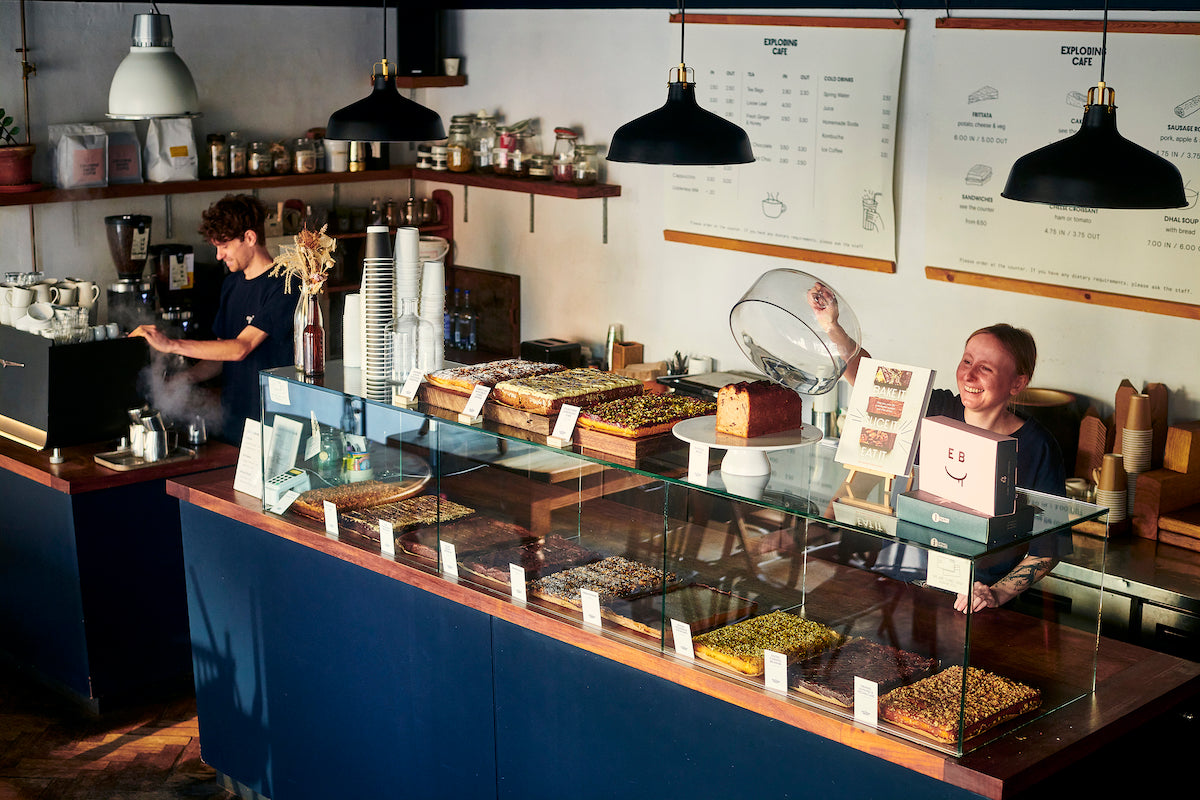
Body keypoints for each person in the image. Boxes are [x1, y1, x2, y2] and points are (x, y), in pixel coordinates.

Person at [808, 282, 1066, 614]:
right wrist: (832, 327)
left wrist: (996, 594)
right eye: (967, 361)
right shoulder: (937, 408)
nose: (969, 375)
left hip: (981, 600)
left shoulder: (1039, 447)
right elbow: (873, 382)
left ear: (1017, 383)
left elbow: (1048, 547)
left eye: (985, 368)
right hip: (908, 579)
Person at [130, 194, 293, 441]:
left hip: (270, 422)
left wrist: (172, 345)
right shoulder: (231, 285)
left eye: (224, 246)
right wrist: (181, 381)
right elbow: (220, 355)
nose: (218, 256)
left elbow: (241, 348)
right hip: (232, 422)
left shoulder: (285, 284)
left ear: (249, 238)